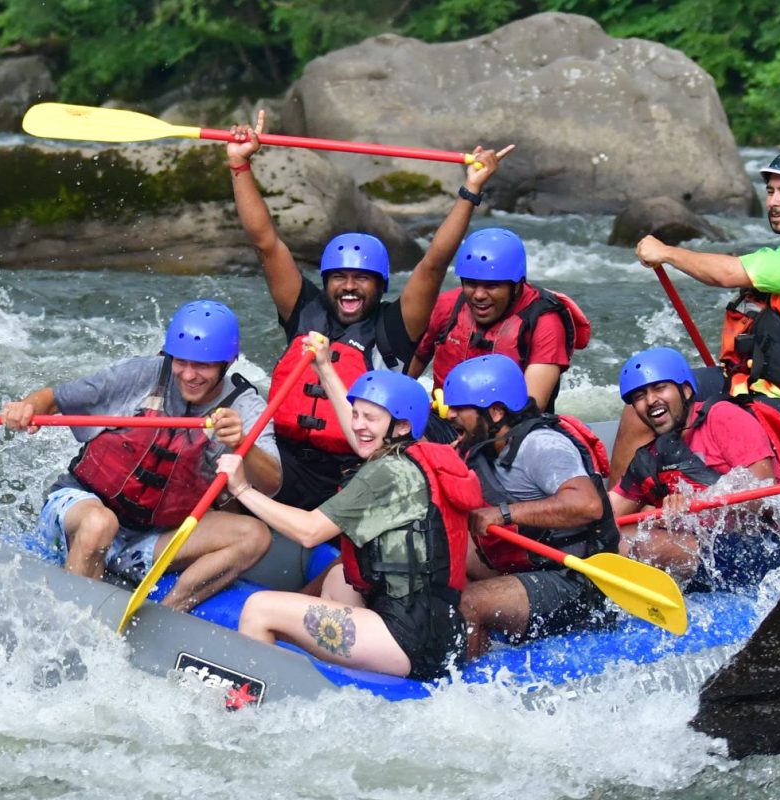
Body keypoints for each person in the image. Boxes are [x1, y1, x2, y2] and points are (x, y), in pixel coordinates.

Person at [227, 108, 513, 510]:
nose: (348, 286)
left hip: (357, 472)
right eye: (338, 277)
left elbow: (434, 262)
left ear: (380, 286)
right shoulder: (304, 309)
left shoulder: (394, 329)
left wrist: (470, 191)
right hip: (285, 461)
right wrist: (240, 165)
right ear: (325, 282)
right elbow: (266, 242)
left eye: (361, 278)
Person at [217, 344, 484, 680]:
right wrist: (326, 368)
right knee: (336, 580)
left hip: (408, 639)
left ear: (400, 426)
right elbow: (362, 438)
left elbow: (309, 531)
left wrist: (242, 489)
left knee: (259, 609)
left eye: (370, 417)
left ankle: (252, 706)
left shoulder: (386, 474)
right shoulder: (412, 457)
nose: (358, 425)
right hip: (436, 629)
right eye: (355, 414)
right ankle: (330, 683)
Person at [0, 299, 276, 611]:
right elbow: (53, 399)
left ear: (228, 362)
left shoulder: (245, 404)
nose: (188, 375)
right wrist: (26, 407)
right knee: (100, 524)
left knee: (254, 536)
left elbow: (271, 483)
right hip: (84, 510)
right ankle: (67, 625)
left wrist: (243, 445)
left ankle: (166, 615)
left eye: (203, 365)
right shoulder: (140, 375)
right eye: (181, 362)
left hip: (149, 539)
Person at [612, 146, 780, 479]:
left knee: (693, 422)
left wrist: (666, 252)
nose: (774, 201)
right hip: (745, 384)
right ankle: (617, 505)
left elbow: (727, 273)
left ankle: (650, 500)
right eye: (771, 191)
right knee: (647, 400)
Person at [440, 355, 617, 659]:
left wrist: (504, 514)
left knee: (467, 603)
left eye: (459, 408)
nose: (449, 414)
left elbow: (587, 504)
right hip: (528, 567)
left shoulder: (541, 445)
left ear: (495, 412)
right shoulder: (483, 447)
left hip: (576, 582)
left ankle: (466, 691)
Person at [607, 347, 780, 591]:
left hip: (762, 547)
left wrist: (697, 503)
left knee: (643, 544)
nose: (650, 401)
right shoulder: (649, 456)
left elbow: (765, 495)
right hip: (706, 550)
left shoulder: (723, 417)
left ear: (685, 390)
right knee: (614, 536)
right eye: (640, 396)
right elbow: (607, 514)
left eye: (660, 388)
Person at [408, 227, 591, 416]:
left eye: (492, 286)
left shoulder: (545, 322)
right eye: (470, 283)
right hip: (445, 422)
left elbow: (531, 409)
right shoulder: (448, 306)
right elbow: (416, 360)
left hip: (510, 430)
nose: (478, 295)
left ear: (517, 284)